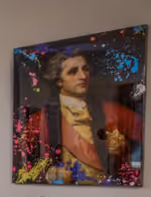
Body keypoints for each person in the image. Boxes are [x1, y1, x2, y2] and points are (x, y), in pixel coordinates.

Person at [22, 51, 142, 185]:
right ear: (59, 81)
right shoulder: (39, 120)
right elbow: (22, 162)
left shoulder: (113, 111)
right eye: (73, 71)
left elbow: (145, 141)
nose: (83, 76)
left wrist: (125, 149)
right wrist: (50, 173)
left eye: (85, 69)